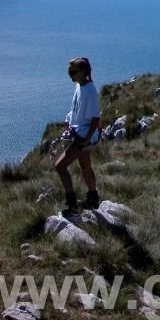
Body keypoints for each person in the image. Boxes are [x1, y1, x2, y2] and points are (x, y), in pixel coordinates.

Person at [55, 57, 101, 217]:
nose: (70, 75)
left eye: (73, 72)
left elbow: (95, 119)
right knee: (85, 167)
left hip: (83, 137)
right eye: (69, 72)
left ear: (82, 72)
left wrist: (86, 140)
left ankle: (72, 204)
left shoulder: (90, 90)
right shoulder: (79, 86)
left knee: (60, 166)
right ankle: (93, 197)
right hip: (80, 134)